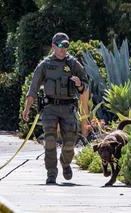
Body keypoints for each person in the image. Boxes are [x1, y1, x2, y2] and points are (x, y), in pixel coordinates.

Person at [23, 32, 88, 184]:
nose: (63, 49)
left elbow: (85, 84)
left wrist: (79, 84)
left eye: (66, 45)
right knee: (50, 141)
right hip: (50, 108)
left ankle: (65, 163)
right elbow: (33, 89)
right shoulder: (44, 65)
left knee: (70, 143)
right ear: (53, 46)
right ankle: (51, 173)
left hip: (68, 107)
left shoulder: (73, 64)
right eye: (60, 46)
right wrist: (27, 109)